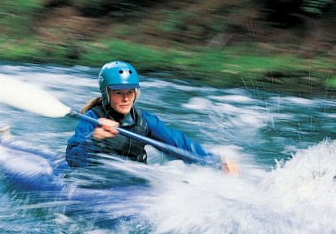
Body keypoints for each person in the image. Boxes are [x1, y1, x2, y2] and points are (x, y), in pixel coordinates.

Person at [66, 61, 239, 175]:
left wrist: (214, 161)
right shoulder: (92, 119)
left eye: (130, 92)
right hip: (97, 180)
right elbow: (74, 160)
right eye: (119, 93)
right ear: (106, 93)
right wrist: (95, 139)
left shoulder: (144, 120)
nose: (126, 98)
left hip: (131, 179)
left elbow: (176, 143)